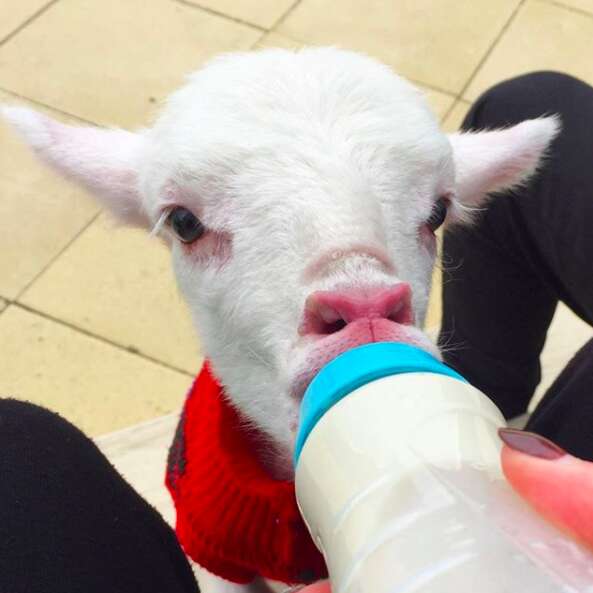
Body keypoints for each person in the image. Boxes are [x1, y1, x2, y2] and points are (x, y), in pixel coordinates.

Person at [1, 71, 592, 593]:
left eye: (433, 214)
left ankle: (493, 390)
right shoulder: (209, 486)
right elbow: (221, 557)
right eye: (189, 224)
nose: (361, 299)